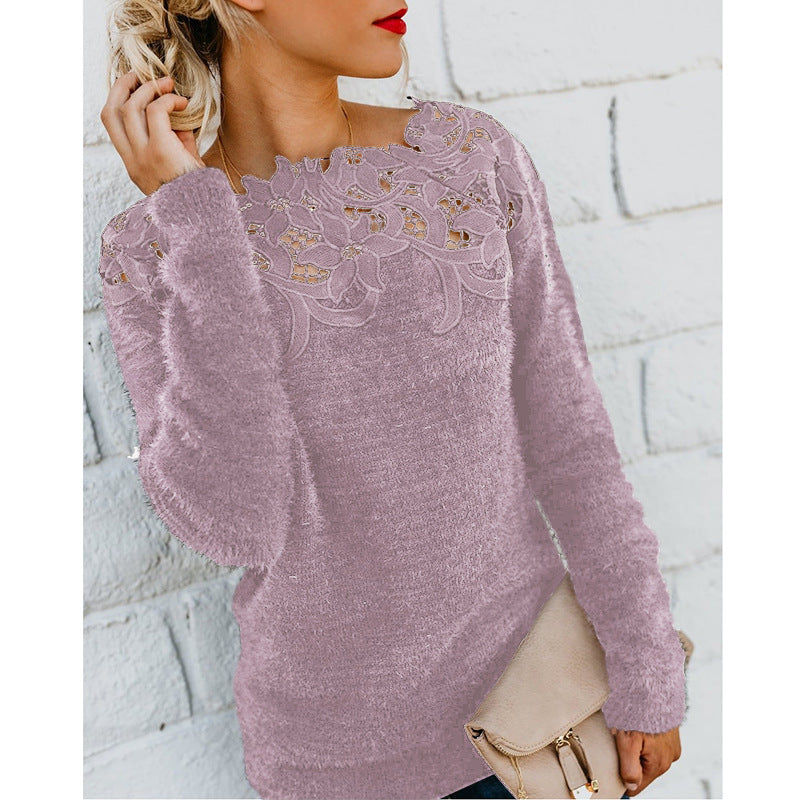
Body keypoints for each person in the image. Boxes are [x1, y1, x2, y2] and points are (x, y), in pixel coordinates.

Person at [97, 1, 687, 798]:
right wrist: (197, 220)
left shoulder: (469, 160)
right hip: (335, 766)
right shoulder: (153, 246)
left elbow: (571, 437)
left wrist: (646, 662)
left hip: (540, 715)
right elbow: (238, 524)